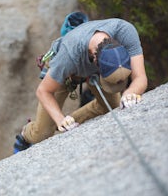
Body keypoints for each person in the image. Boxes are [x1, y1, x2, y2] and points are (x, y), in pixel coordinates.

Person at [13, 17, 148, 154]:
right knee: (42, 134)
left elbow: (140, 77)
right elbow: (43, 91)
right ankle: (25, 134)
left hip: (92, 68)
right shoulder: (68, 56)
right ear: (96, 61)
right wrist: (60, 119)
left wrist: (130, 92)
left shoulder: (126, 32)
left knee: (113, 107)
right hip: (67, 73)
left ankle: (68, 122)